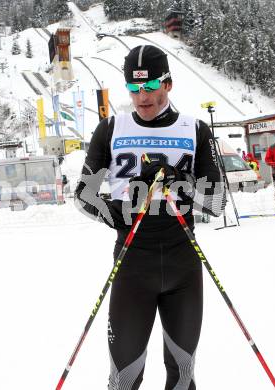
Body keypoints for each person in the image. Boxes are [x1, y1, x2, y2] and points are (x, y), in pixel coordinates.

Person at [75, 45, 225, 389]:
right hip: (132, 264)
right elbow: (84, 195)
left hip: (183, 264)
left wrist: (181, 181)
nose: (140, 97)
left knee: (183, 374)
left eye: (149, 87)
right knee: (124, 379)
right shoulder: (111, 128)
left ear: (167, 84)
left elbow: (216, 203)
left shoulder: (196, 130)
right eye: (132, 88)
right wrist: (118, 212)